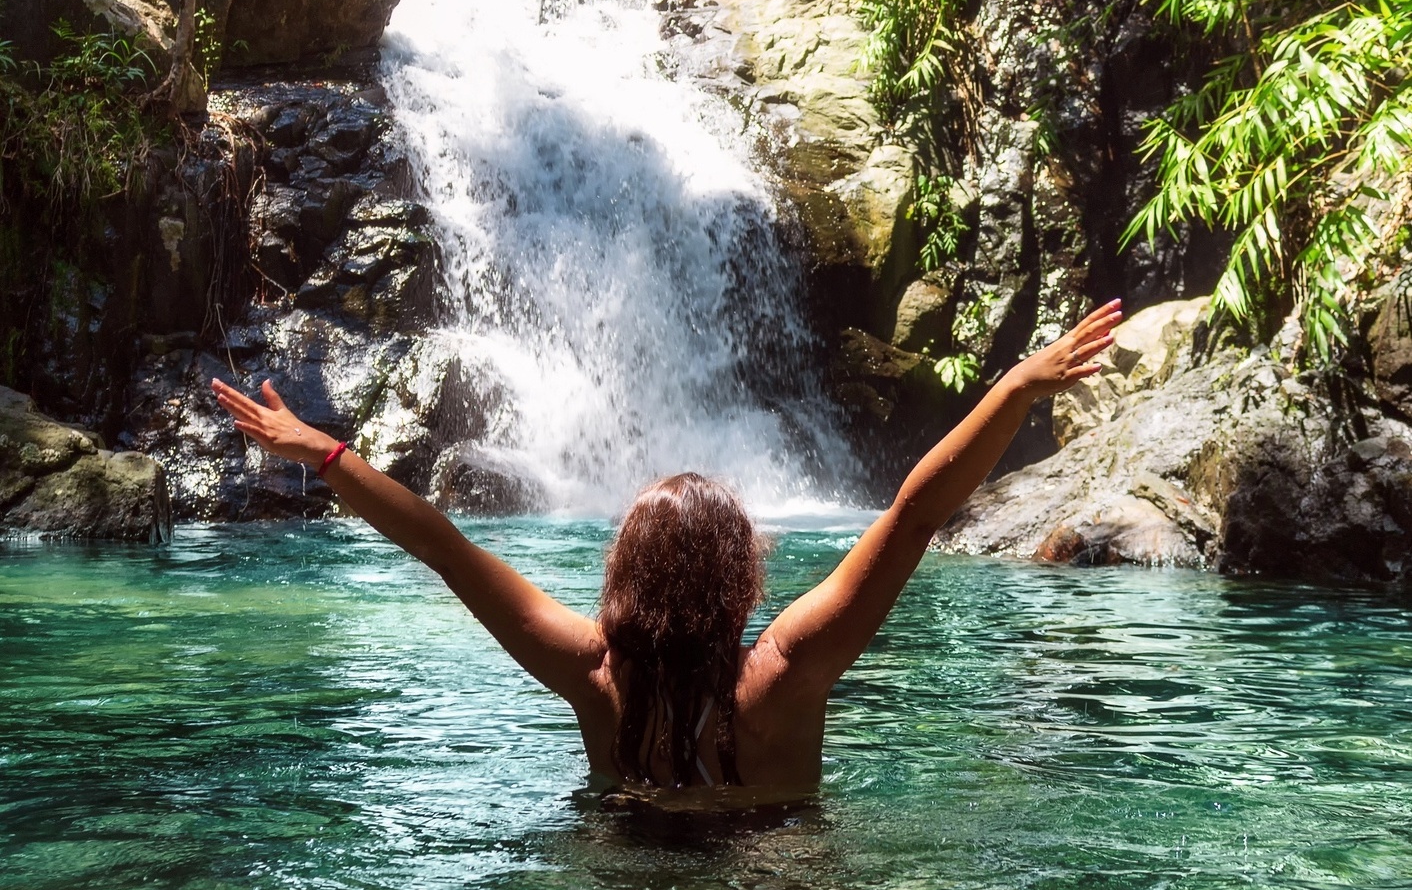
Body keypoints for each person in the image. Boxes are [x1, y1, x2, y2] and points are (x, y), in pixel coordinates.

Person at [212, 299, 1121, 802]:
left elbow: (443, 546)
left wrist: (325, 453)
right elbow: (915, 513)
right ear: (740, 573)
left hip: (623, 889)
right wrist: (1016, 385)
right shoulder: (789, 670)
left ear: (625, 574)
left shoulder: (590, 673)